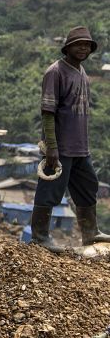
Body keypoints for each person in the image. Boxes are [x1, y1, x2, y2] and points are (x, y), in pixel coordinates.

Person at [31, 26, 110, 252]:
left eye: (87, 45)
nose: (83, 48)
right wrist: (52, 147)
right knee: (50, 190)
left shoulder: (82, 72)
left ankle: (90, 232)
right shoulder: (55, 72)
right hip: (60, 147)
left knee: (88, 186)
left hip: (80, 148)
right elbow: (48, 113)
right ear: (68, 48)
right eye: (78, 44)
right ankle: (39, 237)